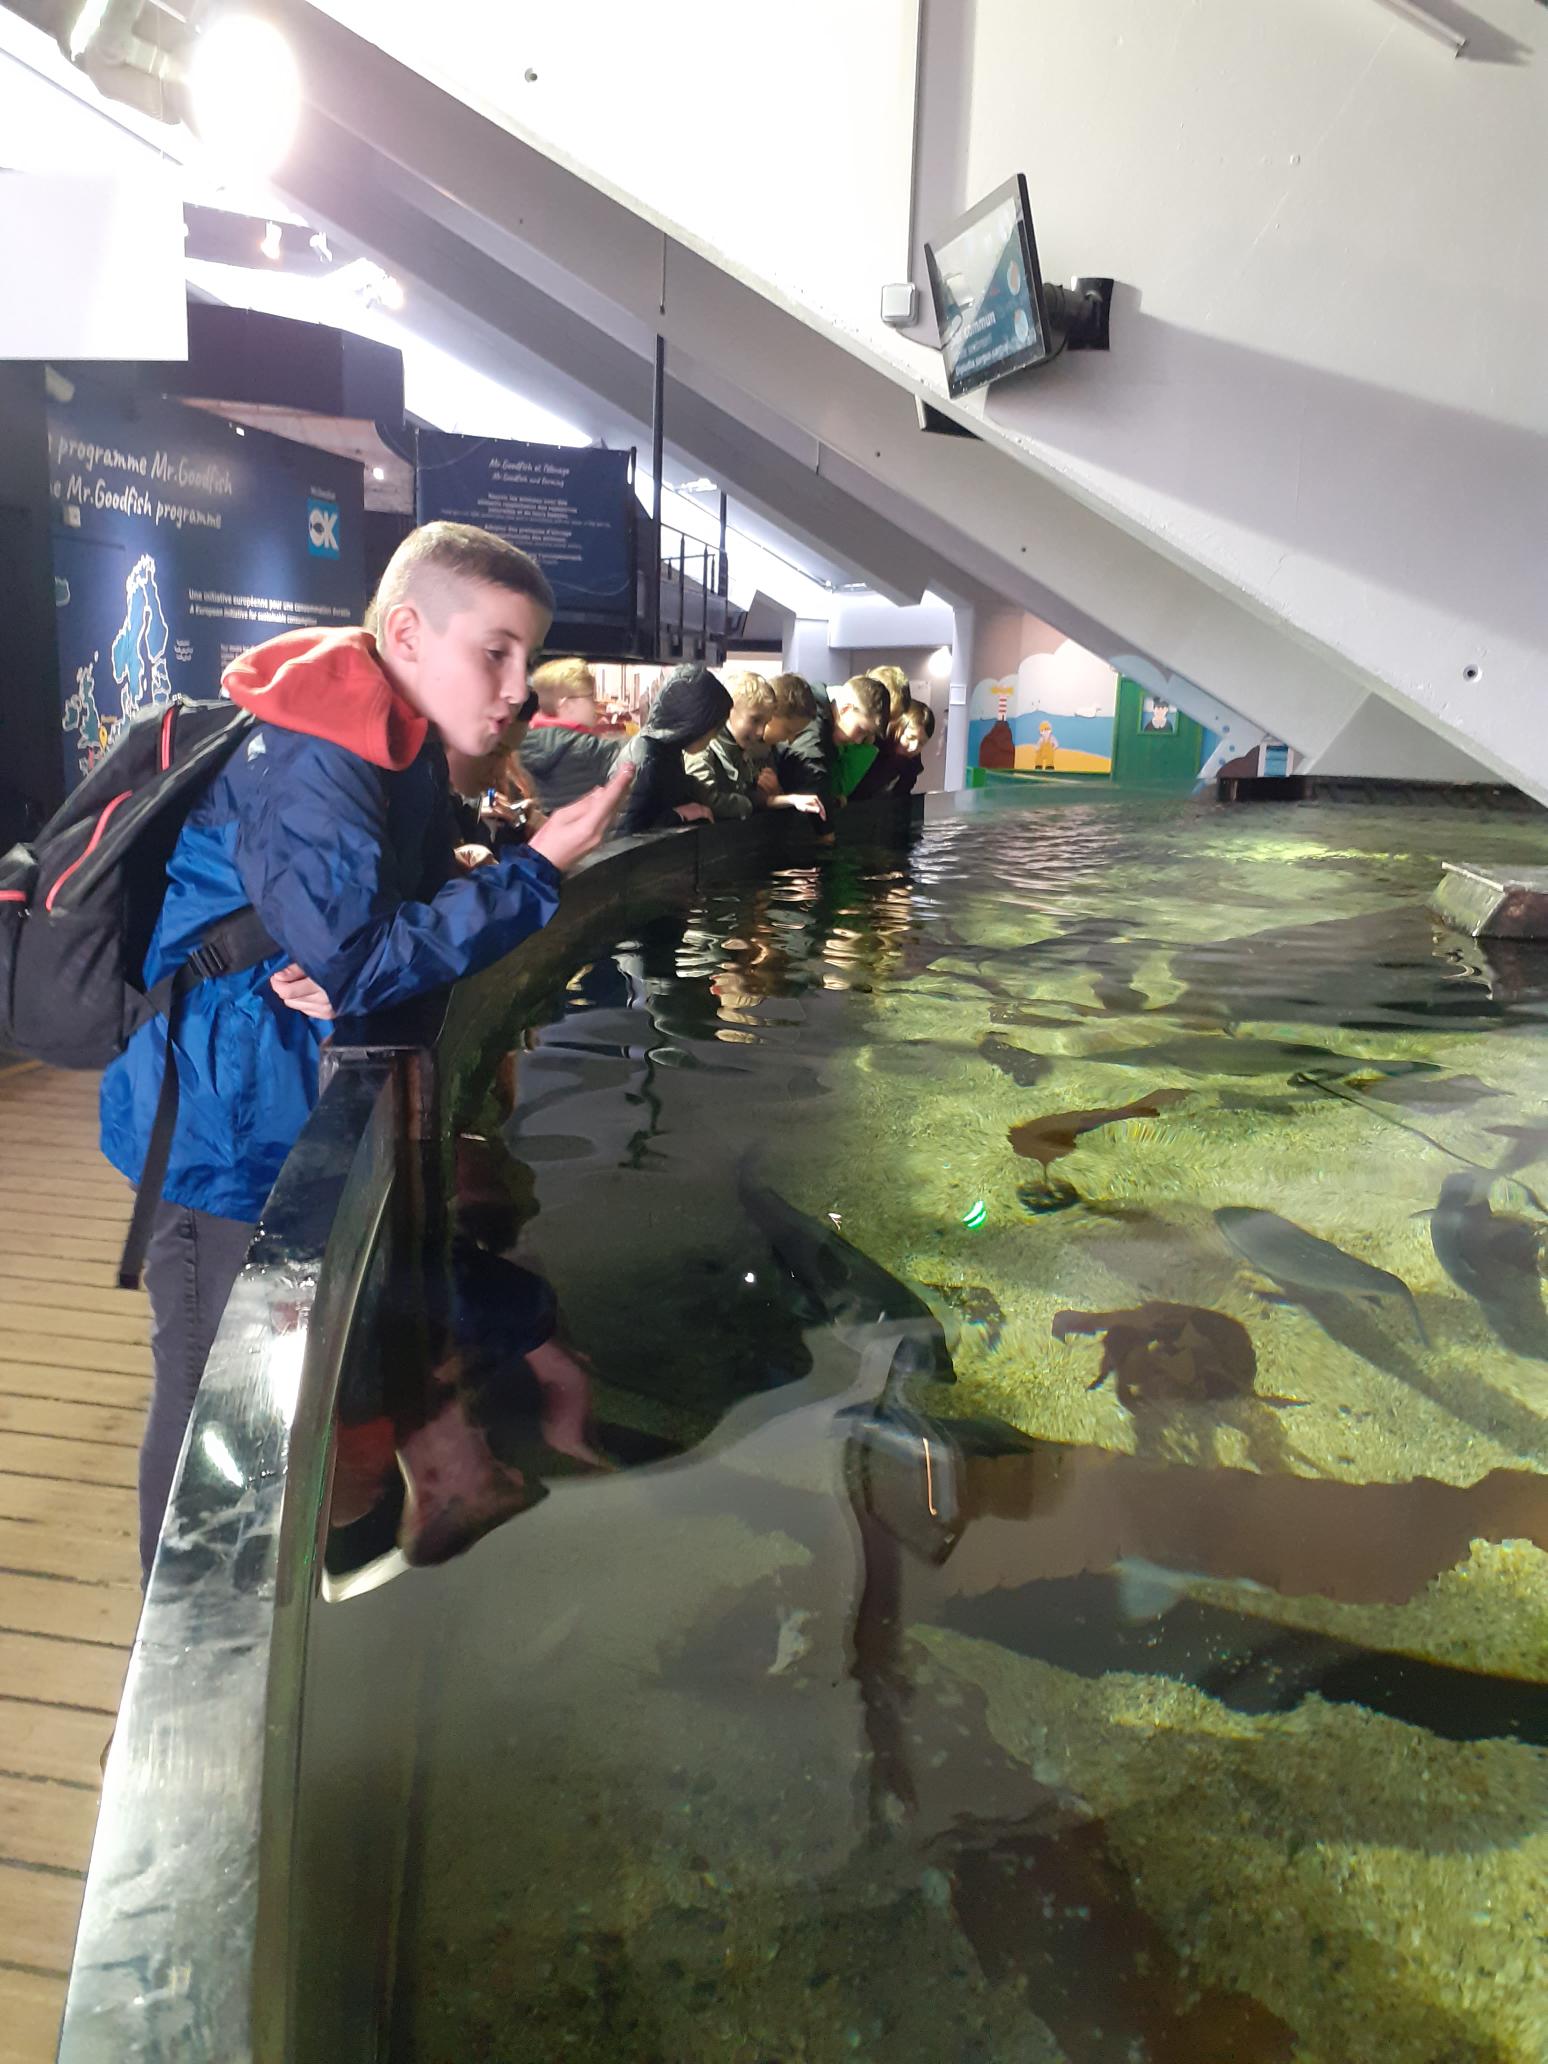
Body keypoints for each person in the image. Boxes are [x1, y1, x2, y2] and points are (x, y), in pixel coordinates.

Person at [100, 520, 632, 1578]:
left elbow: (365, 931)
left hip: (271, 1096)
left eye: (527, 658)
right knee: (208, 1392)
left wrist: (384, 931)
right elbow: (356, 960)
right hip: (218, 1124)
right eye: (496, 652)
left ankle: (275, 1573)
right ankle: (192, 1608)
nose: (519, 690)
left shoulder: (386, 735)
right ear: (408, 632)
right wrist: (536, 868)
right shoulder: (322, 749)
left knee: (265, 1383)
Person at [686, 671, 827, 823]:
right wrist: (751, 804)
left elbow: (749, 794)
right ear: (730, 709)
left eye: (765, 723)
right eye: (755, 720)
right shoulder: (702, 747)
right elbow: (708, 799)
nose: (760, 732)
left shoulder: (741, 751)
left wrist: (789, 799)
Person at [613, 662, 731, 835]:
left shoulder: (665, 752)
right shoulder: (646, 762)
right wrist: (679, 815)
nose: (714, 736)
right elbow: (623, 836)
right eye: (714, 727)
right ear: (695, 724)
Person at [771, 672, 888, 809]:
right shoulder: (814, 727)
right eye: (860, 730)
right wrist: (827, 803)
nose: (858, 741)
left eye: (866, 735)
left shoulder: (825, 718)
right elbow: (811, 783)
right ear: (846, 709)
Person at [522, 657, 623, 814]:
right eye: (590, 696)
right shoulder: (586, 749)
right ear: (566, 704)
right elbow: (641, 753)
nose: (595, 704)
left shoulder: (522, 742)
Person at [850, 699, 935, 800]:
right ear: (897, 728)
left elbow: (901, 800)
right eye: (910, 737)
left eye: (921, 743)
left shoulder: (911, 766)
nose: (914, 747)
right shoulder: (871, 744)